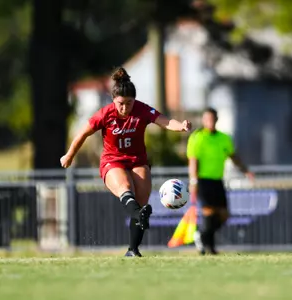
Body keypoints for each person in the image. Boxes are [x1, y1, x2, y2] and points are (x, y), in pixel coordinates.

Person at [60, 67, 192, 257]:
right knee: (125, 186)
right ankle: (139, 215)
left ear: (134, 101)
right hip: (112, 161)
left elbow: (163, 120)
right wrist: (69, 155)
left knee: (141, 201)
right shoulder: (105, 114)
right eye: (121, 103)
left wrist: (181, 126)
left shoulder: (141, 109)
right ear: (114, 100)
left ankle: (133, 250)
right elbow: (82, 133)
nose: (125, 108)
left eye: (129, 103)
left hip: (138, 161)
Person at [187, 108, 254, 255]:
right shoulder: (197, 138)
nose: (209, 122)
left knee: (224, 215)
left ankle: (201, 235)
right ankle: (210, 247)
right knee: (209, 214)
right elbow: (193, 161)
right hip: (203, 181)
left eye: (212, 119)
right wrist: (193, 181)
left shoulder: (224, 138)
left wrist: (245, 170)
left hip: (217, 181)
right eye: (207, 119)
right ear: (203, 121)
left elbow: (233, 156)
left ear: (216, 120)